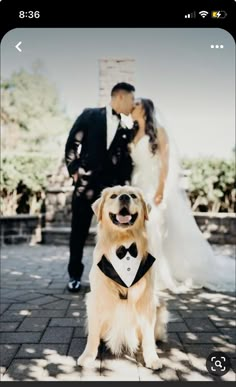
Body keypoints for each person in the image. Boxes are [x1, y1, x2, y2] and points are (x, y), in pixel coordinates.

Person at [129, 98, 235, 293]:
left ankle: (157, 274)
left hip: (154, 186)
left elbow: (165, 163)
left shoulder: (159, 131)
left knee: (153, 226)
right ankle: (139, 270)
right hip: (137, 186)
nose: (131, 107)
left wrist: (161, 188)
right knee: (139, 230)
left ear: (143, 109)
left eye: (135, 104)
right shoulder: (133, 133)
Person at [65, 82, 135, 292]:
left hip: (112, 194)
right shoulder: (89, 115)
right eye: (131, 100)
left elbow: (126, 162)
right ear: (120, 97)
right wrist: (75, 170)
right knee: (78, 231)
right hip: (85, 187)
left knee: (115, 235)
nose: (132, 105)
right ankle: (74, 276)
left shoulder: (127, 127)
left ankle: (111, 278)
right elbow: (72, 143)